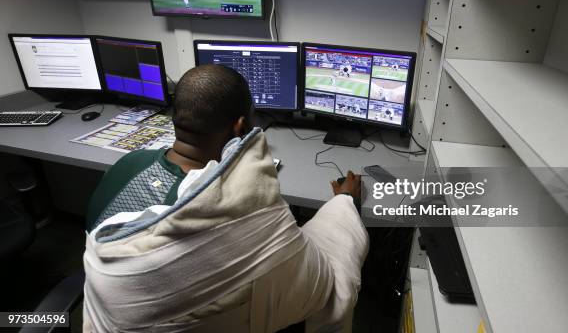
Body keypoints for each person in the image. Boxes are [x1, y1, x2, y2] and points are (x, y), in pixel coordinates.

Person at [83, 65, 369, 332]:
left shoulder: (129, 162)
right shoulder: (235, 210)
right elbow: (322, 284)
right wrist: (344, 203)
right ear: (240, 127)